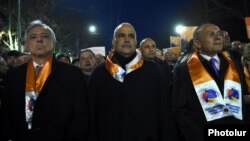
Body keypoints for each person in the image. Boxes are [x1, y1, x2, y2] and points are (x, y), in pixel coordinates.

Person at [2, 20, 90, 141]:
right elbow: (7, 115)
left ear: (53, 43)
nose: (39, 40)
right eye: (33, 37)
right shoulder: (13, 76)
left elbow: (81, 115)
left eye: (44, 36)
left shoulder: (72, 74)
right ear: (26, 45)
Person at [88, 23, 168, 141]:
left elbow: (164, 110)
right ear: (113, 42)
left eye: (131, 36)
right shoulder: (99, 73)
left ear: (136, 42)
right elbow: (91, 114)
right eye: (121, 35)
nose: (126, 39)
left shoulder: (154, 70)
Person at [172, 23, 245, 141]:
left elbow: (241, 101)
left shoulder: (234, 65)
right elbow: (180, 110)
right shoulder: (183, 70)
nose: (218, 37)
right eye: (211, 35)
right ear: (197, 43)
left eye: (219, 33)